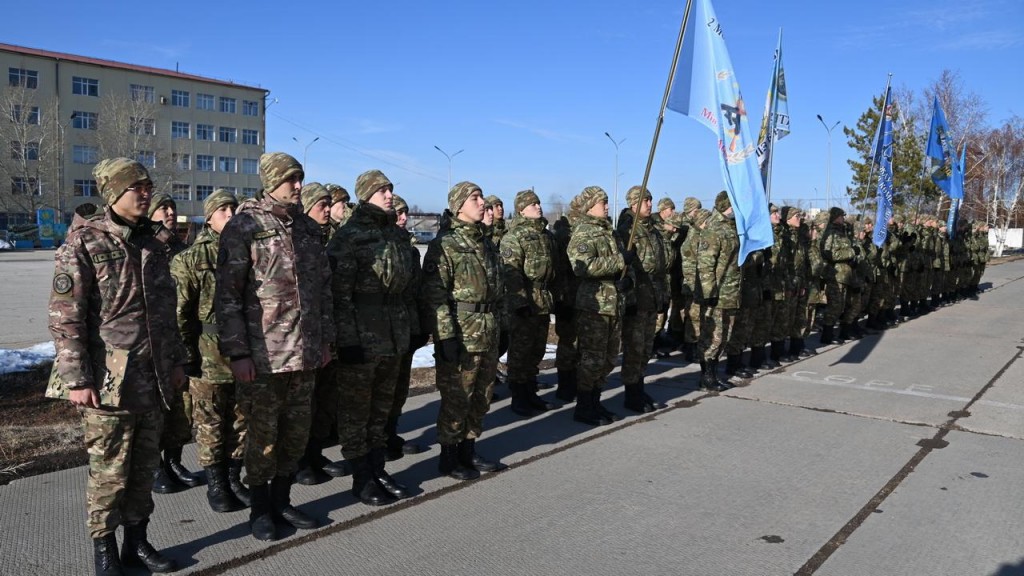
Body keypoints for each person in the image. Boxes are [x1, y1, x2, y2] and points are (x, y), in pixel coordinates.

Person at [47, 157, 186, 575]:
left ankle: (137, 542)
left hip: (154, 375)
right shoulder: (84, 243)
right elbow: (65, 316)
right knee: (109, 471)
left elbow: (167, 311)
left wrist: (177, 361)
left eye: (147, 186)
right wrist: (77, 377)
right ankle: (104, 551)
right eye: (135, 187)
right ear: (113, 194)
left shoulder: (153, 242)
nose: (145, 193)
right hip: (109, 380)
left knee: (144, 467)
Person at [216, 152, 334, 541]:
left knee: (295, 434)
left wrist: (326, 341)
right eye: (290, 180)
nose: (298, 186)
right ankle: (261, 509)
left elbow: (322, 291)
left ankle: (283, 500)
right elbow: (228, 296)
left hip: (306, 352)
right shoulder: (245, 225)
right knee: (263, 437)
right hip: (265, 355)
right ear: (270, 181)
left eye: (300, 179)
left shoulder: (305, 227)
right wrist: (238, 353)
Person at [326, 169, 416, 506]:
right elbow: (339, 296)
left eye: (391, 189)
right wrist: (346, 340)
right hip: (362, 338)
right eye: (381, 191)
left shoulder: (395, 235)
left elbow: (407, 289)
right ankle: (361, 476)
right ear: (365, 195)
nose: (389, 195)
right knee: (356, 412)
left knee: (382, 409)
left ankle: (378, 469)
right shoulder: (349, 237)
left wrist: (413, 328)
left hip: (393, 335)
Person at [170, 189, 250, 513]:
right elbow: (179, 313)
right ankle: (216, 484)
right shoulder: (190, 259)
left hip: (243, 352)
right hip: (207, 354)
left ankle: (234, 478)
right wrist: (186, 354)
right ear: (209, 216)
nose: (230, 215)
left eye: (233, 208)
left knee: (242, 419)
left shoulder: (245, 253)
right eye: (223, 210)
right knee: (210, 422)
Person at [422, 182, 506, 480]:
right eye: (475, 198)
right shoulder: (445, 245)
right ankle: (449, 455)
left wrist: (503, 325)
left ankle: (469, 449)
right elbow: (435, 295)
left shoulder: (486, 242)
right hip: (461, 333)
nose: (482, 202)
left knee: (482, 395)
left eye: (482, 197)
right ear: (459, 205)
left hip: (488, 329)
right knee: (457, 397)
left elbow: (498, 290)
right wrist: (445, 337)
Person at [294, 182, 350, 485]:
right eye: (321, 205)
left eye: (330, 204)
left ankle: (315, 453)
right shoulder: (298, 240)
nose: (328, 210)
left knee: (326, 398)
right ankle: (300, 460)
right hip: (306, 334)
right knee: (306, 401)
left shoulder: (331, 238)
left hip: (331, 329)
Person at [146, 193, 201, 494]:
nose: (169, 212)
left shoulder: (181, 249)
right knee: (154, 406)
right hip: (154, 341)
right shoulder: (144, 247)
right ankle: (154, 466)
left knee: (181, 408)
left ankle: (174, 461)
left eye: (172, 207)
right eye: (162, 207)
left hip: (180, 339)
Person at [567, 186, 631, 425]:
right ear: (589, 206)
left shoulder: (609, 232)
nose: (606, 205)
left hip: (613, 301)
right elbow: (582, 266)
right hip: (595, 306)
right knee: (592, 358)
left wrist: (627, 279)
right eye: (602, 202)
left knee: (609, 357)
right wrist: (619, 261)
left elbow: (621, 265)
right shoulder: (584, 233)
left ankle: (595, 400)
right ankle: (584, 406)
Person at [500, 189, 559, 417]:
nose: (538, 207)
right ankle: (519, 397)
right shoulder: (514, 237)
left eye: (538, 203)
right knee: (520, 351)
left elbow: (555, 270)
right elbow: (511, 273)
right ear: (521, 210)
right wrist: (519, 302)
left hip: (542, 300)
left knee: (537, 350)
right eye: (532, 204)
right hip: (525, 301)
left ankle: (531, 393)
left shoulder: (546, 236)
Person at [616, 185, 668, 413]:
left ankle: (639, 387)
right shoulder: (628, 232)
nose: (650, 204)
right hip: (637, 300)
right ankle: (631, 394)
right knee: (634, 349)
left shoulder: (652, 230)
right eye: (645, 200)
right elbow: (627, 270)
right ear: (633, 204)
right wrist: (629, 300)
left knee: (646, 348)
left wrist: (663, 296)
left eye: (650, 199)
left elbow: (660, 266)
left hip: (652, 297)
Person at [386, 194, 430, 459]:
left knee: (400, 386)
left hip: (406, 326)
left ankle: (391, 433)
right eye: (399, 213)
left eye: (405, 214)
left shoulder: (410, 250)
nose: (403, 218)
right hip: (383, 328)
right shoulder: (379, 248)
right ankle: (378, 440)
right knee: (383, 388)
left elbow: (417, 293)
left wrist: (420, 328)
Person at [696, 191, 741, 392]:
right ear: (725, 206)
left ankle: (713, 373)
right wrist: (709, 293)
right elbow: (705, 265)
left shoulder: (732, 228)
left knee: (725, 336)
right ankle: (706, 376)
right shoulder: (713, 229)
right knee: (713, 337)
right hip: (717, 293)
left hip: (731, 292)